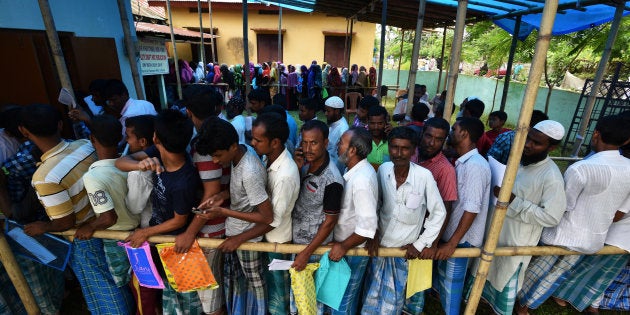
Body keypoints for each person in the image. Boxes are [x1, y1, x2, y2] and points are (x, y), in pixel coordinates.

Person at [19, 104, 133, 315]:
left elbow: (65, 223)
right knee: (117, 282)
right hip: (110, 226)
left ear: (24, 131)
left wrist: (43, 226)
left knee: (103, 289)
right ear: (60, 125)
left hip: (85, 236)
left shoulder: (44, 177)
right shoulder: (84, 146)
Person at [517, 114, 630, 315]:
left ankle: (519, 302)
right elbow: (617, 213)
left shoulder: (582, 168)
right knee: (557, 274)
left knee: (539, 271)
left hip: (562, 233)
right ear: (626, 141)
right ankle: (526, 307)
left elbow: (563, 206)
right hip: (593, 238)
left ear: (596, 134)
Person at [468, 120, 567, 315]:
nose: (528, 144)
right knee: (483, 270)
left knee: (504, 276)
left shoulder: (552, 177)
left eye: (536, 142)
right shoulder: (518, 161)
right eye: (528, 138)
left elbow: (551, 217)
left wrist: (513, 202)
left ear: (552, 147)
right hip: (494, 230)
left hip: (516, 240)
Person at [116, 109, 203, 314]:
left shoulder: (184, 180)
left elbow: (178, 221)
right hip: (158, 240)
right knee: (166, 293)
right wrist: (140, 164)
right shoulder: (157, 154)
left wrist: (145, 233)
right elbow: (119, 162)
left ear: (155, 138)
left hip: (175, 246)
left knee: (182, 296)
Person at [362, 127, 446, 314]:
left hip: (403, 251)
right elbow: (375, 203)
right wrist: (373, 233)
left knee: (392, 302)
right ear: (389, 148)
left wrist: (420, 244)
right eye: (394, 147)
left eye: (405, 148)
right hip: (380, 246)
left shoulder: (424, 177)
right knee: (372, 298)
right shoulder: (384, 170)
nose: (398, 153)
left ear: (414, 150)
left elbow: (439, 213)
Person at [194, 117, 272, 315]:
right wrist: (221, 196)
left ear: (233, 146)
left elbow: (267, 217)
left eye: (218, 155)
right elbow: (243, 192)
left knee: (255, 287)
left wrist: (223, 213)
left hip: (247, 239)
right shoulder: (242, 152)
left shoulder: (250, 171)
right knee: (240, 287)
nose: (215, 161)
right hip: (238, 234)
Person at [74, 114, 138, 312]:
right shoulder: (130, 162)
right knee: (140, 284)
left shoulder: (93, 177)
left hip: (116, 239)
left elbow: (108, 217)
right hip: (140, 231)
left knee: (126, 285)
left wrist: (89, 227)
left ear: (92, 139)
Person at [177, 85, 229, 315]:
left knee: (210, 296)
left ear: (188, 111)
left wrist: (190, 231)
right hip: (221, 222)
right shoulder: (222, 131)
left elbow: (210, 193)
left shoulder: (204, 146)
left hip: (211, 227)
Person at [435, 117, 491, 315]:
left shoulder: (475, 166)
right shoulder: (463, 161)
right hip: (453, 235)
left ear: (464, 134)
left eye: (454, 129)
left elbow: (472, 208)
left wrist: (453, 243)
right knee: (445, 282)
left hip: (461, 239)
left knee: (452, 286)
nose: (450, 133)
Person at [290, 119, 344, 313]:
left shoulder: (332, 180)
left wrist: (306, 253)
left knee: (311, 304)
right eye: (304, 142)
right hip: (297, 244)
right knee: (298, 301)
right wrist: (296, 169)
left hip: (314, 252)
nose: (308, 148)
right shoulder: (305, 165)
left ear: (326, 143)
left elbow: (330, 222)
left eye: (314, 143)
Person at [250, 113, 300, 315]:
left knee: (280, 293)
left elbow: (273, 220)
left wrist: (239, 238)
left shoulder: (285, 175)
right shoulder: (267, 158)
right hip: (268, 238)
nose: (252, 143)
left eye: (258, 140)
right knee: (272, 289)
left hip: (278, 242)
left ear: (275, 142)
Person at [327, 127, 378, 315]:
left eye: (341, 142)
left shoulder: (361, 180)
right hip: (348, 246)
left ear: (352, 150)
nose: (337, 146)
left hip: (352, 249)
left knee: (341, 302)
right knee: (346, 299)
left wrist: (343, 246)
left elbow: (367, 227)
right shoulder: (357, 172)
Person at [414, 118, 458, 257]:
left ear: (445, 140)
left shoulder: (445, 169)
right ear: (422, 133)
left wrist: (433, 243)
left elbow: (446, 209)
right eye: (429, 136)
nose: (432, 143)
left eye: (438, 139)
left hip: (423, 234)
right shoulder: (411, 153)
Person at [324, 96, 349, 173]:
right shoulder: (334, 123)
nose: (325, 114)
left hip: (335, 170)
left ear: (337, 111)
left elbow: (343, 158)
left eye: (328, 111)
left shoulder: (343, 129)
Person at [366, 105, 390, 169]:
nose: (376, 127)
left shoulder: (392, 140)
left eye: (380, 123)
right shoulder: (362, 140)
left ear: (386, 122)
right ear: (367, 122)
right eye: (372, 123)